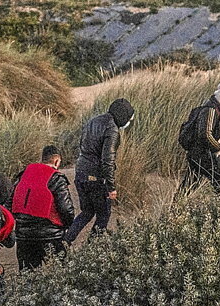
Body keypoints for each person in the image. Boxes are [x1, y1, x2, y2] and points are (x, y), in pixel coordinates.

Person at [66, 98, 134, 243]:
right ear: (123, 116)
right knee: (103, 215)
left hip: (80, 173)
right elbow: (107, 160)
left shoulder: (93, 121)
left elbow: (82, 146)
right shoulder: (112, 130)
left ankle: (65, 242)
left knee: (87, 212)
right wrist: (111, 187)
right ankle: (92, 249)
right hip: (95, 178)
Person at [11, 145, 75, 271]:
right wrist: (67, 226)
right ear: (57, 161)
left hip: (24, 236)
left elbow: (10, 203)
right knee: (62, 274)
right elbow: (66, 209)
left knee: (27, 276)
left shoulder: (23, 175)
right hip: (51, 236)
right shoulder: (57, 178)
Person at [178, 79, 220, 194]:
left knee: (189, 184)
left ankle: (175, 209)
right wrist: (217, 147)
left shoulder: (215, 108)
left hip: (197, 154)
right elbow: (205, 134)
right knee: (219, 182)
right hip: (202, 155)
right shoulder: (211, 110)